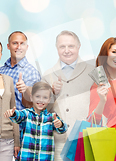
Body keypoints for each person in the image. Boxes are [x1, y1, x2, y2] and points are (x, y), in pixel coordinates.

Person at [24, 30, 94, 161]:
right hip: (58, 141)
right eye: (62, 46)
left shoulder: (92, 71)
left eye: (71, 46)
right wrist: (53, 94)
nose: (67, 50)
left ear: (79, 47)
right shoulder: (48, 74)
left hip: (84, 139)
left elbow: (105, 99)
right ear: (57, 49)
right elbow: (40, 110)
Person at [0, 31, 41, 158]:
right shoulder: (0, 71)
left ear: (27, 47)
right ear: (8, 46)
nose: (18, 47)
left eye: (22, 44)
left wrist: (26, 90)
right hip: (2, 129)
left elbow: (37, 107)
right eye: (15, 43)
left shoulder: (32, 73)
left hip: (23, 130)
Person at [4, 82, 67, 161]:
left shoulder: (51, 117)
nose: (41, 100)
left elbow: (63, 129)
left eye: (45, 97)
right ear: (31, 97)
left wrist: (60, 124)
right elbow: (18, 116)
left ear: (49, 100)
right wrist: (12, 113)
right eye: (37, 96)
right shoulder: (27, 114)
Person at [87, 37, 116, 136]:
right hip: (110, 141)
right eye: (114, 52)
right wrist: (102, 101)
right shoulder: (99, 85)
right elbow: (92, 123)